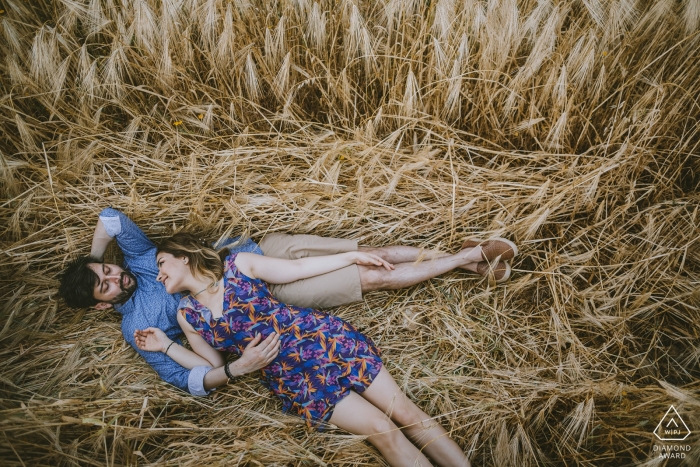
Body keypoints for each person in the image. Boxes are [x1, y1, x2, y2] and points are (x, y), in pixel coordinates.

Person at [58, 208, 517, 397]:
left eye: (107, 271)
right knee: (368, 277)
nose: (116, 276)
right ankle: (472, 256)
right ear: (102, 306)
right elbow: (191, 379)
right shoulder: (136, 325)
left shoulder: (136, 262)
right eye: (105, 285)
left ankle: (469, 261)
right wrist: (190, 354)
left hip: (257, 252)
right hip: (267, 296)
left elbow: (110, 217)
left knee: (365, 249)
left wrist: (92, 261)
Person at [133, 232, 478, 467]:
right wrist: (166, 347)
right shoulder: (187, 315)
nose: (159, 275)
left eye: (161, 264)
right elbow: (210, 365)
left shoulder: (238, 266)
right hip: (296, 380)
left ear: (184, 255)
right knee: (380, 429)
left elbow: (297, 270)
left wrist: (351, 256)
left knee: (404, 413)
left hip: (325, 342)